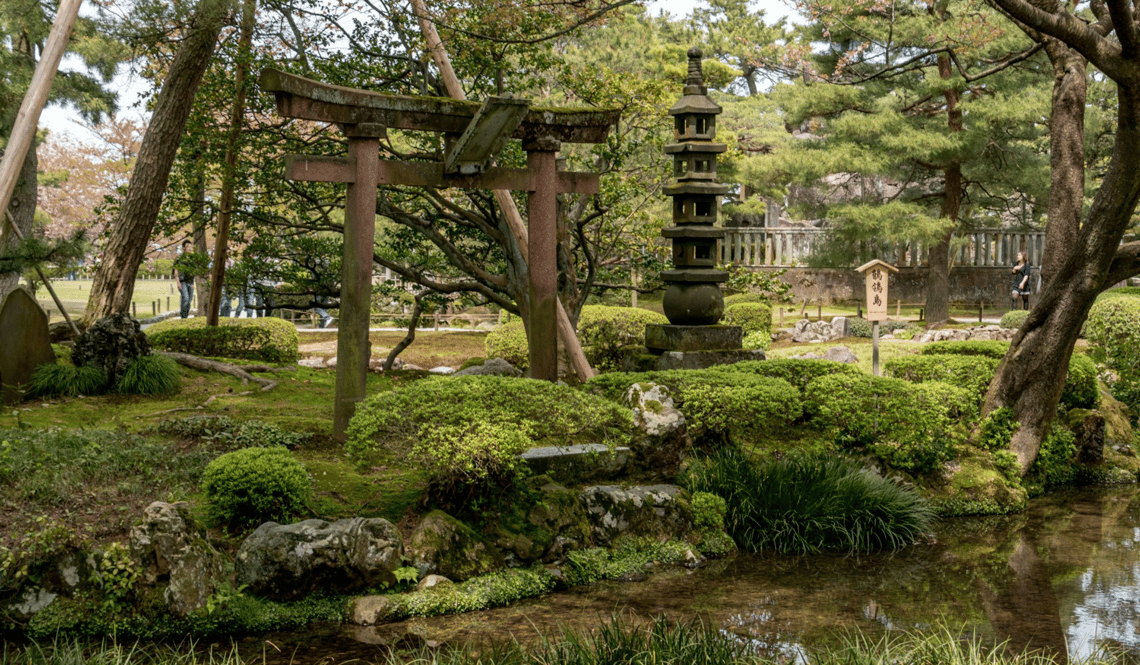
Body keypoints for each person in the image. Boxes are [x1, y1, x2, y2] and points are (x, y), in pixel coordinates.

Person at [173, 240, 197, 318]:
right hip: (182, 281)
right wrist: (178, 282)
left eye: (191, 246)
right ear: (183, 248)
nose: (190, 248)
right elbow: (176, 270)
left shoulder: (193, 259)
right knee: (185, 298)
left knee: (189, 301)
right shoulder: (179, 258)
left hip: (191, 282)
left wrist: (194, 283)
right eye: (187, 247)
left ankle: (185, 317)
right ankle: (183, 317)